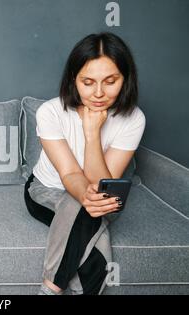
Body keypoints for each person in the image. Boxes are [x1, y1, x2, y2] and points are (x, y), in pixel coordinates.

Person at [24, 32, 145, 295]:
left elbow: (104, 183)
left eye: (111, 81)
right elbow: (69, 172)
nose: (99, 93)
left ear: (125, 79)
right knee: (82, 206)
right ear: (73, 81)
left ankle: (49, 288)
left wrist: (92, 135)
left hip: (98, 196)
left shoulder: (134, 118)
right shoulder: (51, 112)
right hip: (46, 190)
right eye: (88, 82)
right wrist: (89, 197)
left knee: (87, 206)